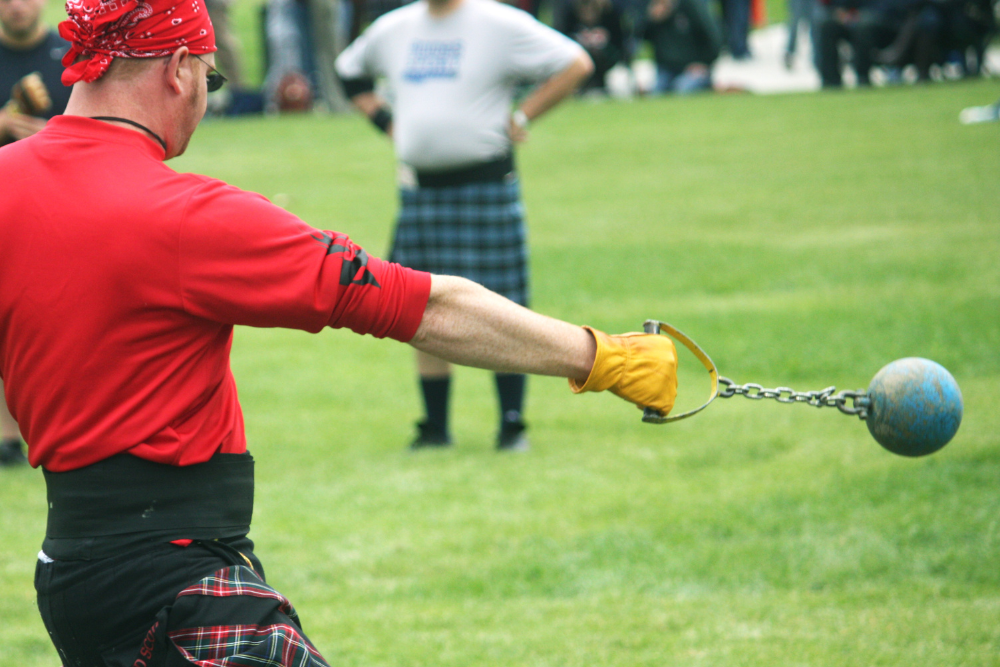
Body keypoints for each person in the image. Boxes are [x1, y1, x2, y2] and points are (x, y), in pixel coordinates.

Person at [0, 0, 677, 663]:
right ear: (177, 67)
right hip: (170, 576)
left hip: (71, 571)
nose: (205, 100)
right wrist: (604, 357)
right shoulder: (184, 216)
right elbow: (425, 307)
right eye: (211, 78)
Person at [335, 0, 594, 452]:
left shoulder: (498, 22)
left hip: (486, 185)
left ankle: (511, 424)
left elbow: (575, 63)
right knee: (420, 307)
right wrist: (386, 121)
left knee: (506, 307)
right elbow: (349, 71)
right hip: (421, 191)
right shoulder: (394, 28)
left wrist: (523, 115)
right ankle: (435, 427)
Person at [0, 0, 71, 465]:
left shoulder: (73, 56)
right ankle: (6, 436)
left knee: (57, 318)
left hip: (61, 203)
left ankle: (58, 429)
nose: (18, 6)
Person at [0, 0, 71, 146]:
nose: (16, 5)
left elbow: (96, 129)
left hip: (58, 165)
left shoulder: (74, 55)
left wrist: (54, 137)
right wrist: (5, 123)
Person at [643, 0, 723, 94]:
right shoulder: (656, 9)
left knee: (682, 89)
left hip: (692, 68)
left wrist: (704, 63)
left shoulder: (693, 6)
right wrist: (652, 19)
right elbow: (643, 37)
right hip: (666, 69)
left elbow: (715, 38)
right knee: (656, 93)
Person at [556, 0, 626, 94]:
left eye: (591, 9)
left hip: (607, 67)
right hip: (576, 67)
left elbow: (620, 47)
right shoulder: (569, 18)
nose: (588, 13)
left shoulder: (611, 17)